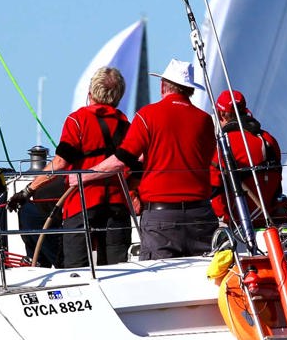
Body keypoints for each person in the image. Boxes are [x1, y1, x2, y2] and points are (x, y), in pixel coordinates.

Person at [69, 58, 218, 260]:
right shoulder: (205, 120)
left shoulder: (148, 115)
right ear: (189, 89)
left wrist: (85, 176)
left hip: (161, 217)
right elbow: (209, 158)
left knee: (157, 279)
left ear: (163, 85)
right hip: (201, 215)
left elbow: (122, 160)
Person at [8, 66, 133, 267]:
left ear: (90, 93)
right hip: (117, 205)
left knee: (77, 271)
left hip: (83, 203)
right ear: (118, 96)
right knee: (116, 269)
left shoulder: (77, 120)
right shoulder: (126, 125)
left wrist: (27, 191)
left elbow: (59, 163)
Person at [209, 89, 285, 227]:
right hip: (268, 219)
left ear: (220, 114)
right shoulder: (269, 140)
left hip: (236, 223)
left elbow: (213, 188)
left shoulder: (223, 144)